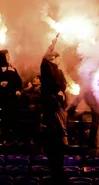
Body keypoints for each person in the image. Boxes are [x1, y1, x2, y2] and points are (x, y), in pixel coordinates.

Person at [40, 36, 68, 183]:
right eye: (57, 58)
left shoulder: (60, 72)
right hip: (50, 102)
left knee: (60, 129)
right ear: (53, 58)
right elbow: (44, 58)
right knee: (53, 129)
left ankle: (62, 140)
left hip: (59, 103)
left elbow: (64, 84)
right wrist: (52, 44)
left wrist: (61, 90)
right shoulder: (46, 66)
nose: (59, 60)